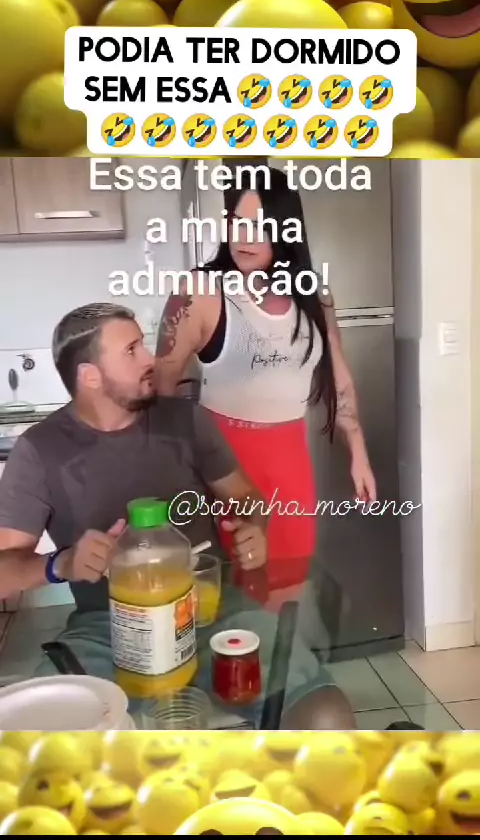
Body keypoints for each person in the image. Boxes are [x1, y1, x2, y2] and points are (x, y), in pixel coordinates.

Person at [0, 302, 356, 730]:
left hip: (212, 612)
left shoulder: (185, 420)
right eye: (131, 351)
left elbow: (247, 498)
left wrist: (254, 526)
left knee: (325, 715)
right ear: (90, 376)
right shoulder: (39, 451)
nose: (150, 359)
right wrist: (59, 564)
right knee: (44, 734)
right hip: (107, 628)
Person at [155, 167, 376, 599]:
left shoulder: (314, 295)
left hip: (291, 464)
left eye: (258, 226)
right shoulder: (200, 292)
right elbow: (161, 389)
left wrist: (359, 453)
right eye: (237, 223)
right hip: (224, 469)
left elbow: (339, 376)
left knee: (288, 593)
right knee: (231, 601)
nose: (243, 237)